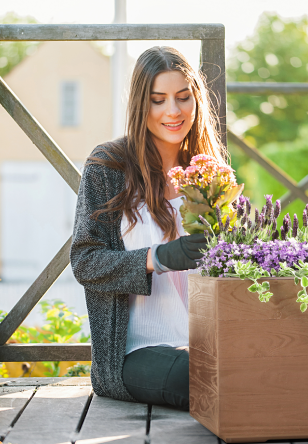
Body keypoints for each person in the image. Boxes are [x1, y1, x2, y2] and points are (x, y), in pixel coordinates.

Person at [70, 46, 228, 411]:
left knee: (262, 362)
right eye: (158, 100)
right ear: (142, 106)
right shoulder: (108, 167)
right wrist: (160, 257)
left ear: (196, 101)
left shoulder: (208, 172)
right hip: (136, 352)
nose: (173, 111)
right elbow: (85, 262)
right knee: (205, 374)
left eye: (183, 97)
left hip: (207, 339)